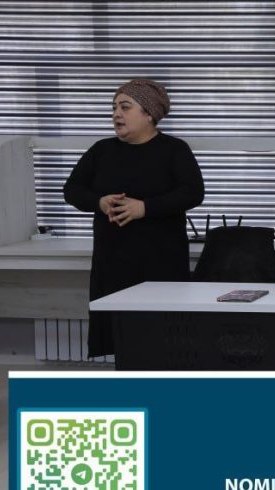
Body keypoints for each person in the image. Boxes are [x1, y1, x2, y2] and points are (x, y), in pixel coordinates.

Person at [64, 79, 204, 357]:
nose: (116, 113)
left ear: (149, 113)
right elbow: (72, 190)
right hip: (113, 264)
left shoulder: (174, 150)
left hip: (161, 265)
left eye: (125, 107)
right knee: (122, 341)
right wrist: (99, 202)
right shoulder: (101, 150)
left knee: (164, 342)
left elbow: (193, 193)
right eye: (114, 107)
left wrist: (145, 208)